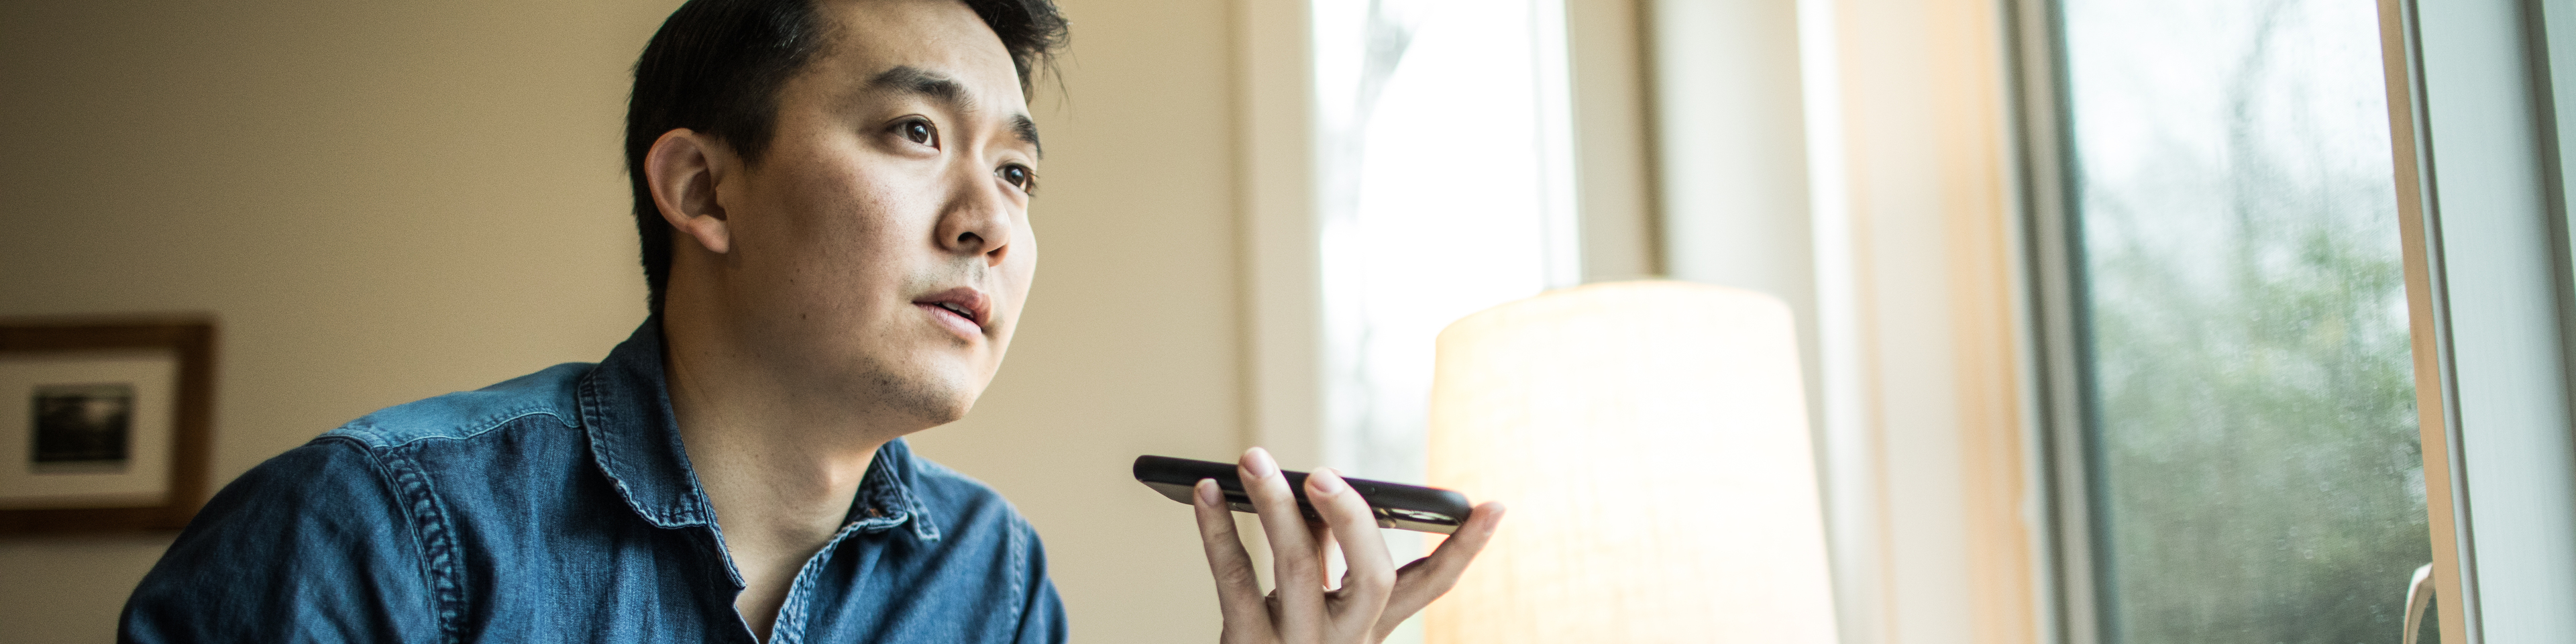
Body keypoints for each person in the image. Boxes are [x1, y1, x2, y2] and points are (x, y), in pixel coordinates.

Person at [117, 0, 1505, 641]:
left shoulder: (989, 583)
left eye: (1017, 171)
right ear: (703, 186)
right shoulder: (372, 536)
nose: (993, 222)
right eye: (915, 132)